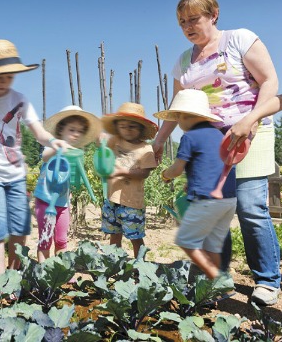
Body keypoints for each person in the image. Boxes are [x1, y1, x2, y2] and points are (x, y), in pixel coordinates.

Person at [152, 0, 280, 305]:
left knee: (250, 207)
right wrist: (158, 140)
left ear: (214, 14)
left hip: (250, 132)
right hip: (211, 142)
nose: (187, 27)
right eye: (182, 22)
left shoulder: (239, 40)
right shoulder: (184, 62)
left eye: (194, 19)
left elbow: (270, 83)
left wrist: (249, 120)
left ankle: (267, 279)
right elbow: (179, 105)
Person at [0, 39, 71, 276]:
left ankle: (14, 274)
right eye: (0, 77)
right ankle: (0, 280)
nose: (5, 82)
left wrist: (52, 141)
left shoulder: (19, 99)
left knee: (19, 226)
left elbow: (38, 132)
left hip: (16, 175)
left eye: (10, 77)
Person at [155, 89, 237, 279]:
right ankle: (215, 290)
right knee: (213, 247)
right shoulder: (218, 134)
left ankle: (216, 277)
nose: (178, 123)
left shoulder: (190, 137)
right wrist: (191, 185)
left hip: (208, 200)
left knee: (186, 241)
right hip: (229, 199)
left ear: (184, 116)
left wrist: (165, 175)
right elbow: (211, 167)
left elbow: (177, 169)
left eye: (177, 118)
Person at [33, 105, 101, 263]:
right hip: (45, 200)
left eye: (80, 131)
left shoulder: (76, 152)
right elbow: (44, 156)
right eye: (72, 130)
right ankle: (43, 272)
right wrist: (59, 148)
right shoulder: (52, 146)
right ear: (61, 130)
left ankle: (60, 271)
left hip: (63, 202)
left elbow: (76, 178)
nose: (76, 134)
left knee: (61, 240)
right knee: (45, 240)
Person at [100, 102, 158, 258]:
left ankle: (141, 266)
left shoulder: (145, 149)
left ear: (141, 128)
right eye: (123, 126)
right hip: (112, 198)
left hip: (132, 201)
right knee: (114, 234)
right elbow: (103, 148)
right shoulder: (115, 141)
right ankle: (114, 263)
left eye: (132, 126)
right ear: (117, 127)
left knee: (135, 236)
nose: (127, 129)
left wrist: (122, 172)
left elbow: (145, 173)